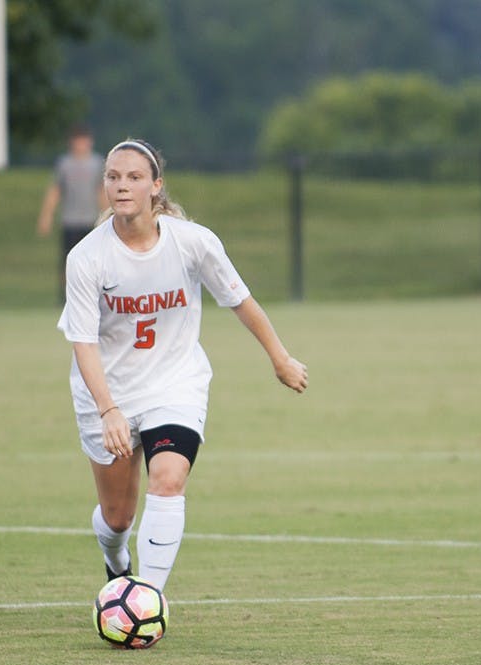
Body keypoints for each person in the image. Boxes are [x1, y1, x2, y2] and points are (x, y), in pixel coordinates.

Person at [57, 138, 308, 592]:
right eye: (113, 177)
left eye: (134, 177)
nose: (121, 186)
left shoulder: (193, 242)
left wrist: (280, 357)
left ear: (156, 186)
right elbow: (83, 342)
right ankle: (117, 563)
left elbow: (241, 301)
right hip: (107, 393)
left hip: (174, 385)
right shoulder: (86, 258)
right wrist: (108, 409)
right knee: (118, 518)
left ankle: (147, 599)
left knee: (168, 480)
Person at [37, 124, 109, 302]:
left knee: (94, 262)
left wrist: (107, 216)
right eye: (77, 141)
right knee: (68, 261)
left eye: (84, 141)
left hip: (91, 220)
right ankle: (66, 297)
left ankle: (94, 295)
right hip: (70, 220)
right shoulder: (65, 164)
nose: (81, 145)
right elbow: (55, 191)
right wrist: (46, 216)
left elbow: (101, 190)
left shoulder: (97, 163)